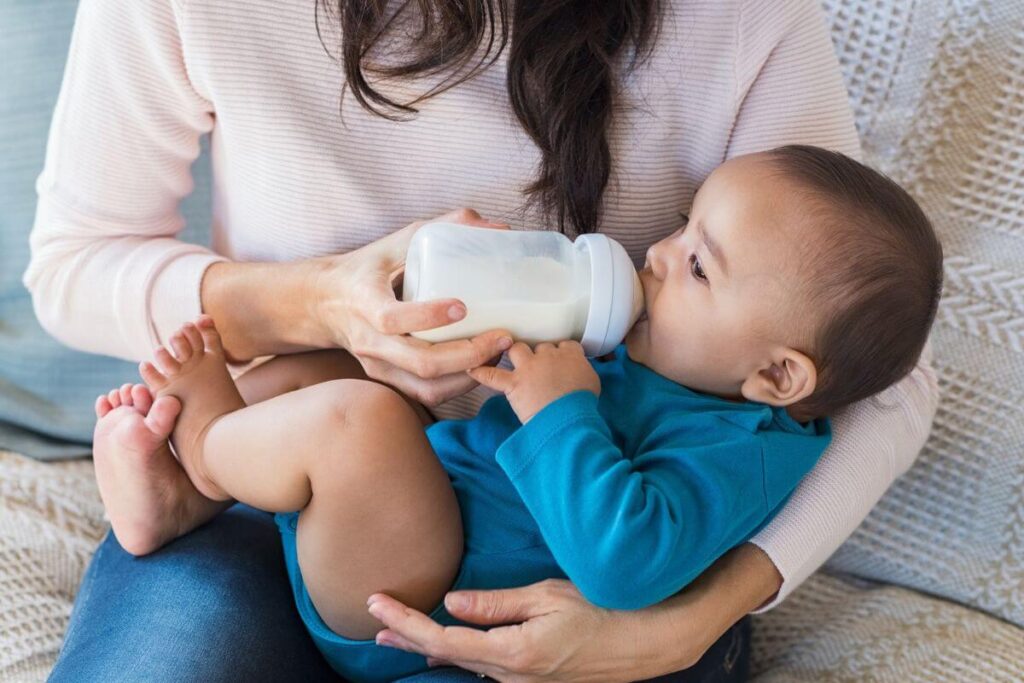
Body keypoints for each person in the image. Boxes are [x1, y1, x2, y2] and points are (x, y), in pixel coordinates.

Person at [25, 1, 939, 680]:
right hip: (309, 502)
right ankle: (197, 474)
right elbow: (73, 263)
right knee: (322, 382)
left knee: (348, 416)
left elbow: (875, 376)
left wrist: (688, 620)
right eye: (683, 229)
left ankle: (204, 455)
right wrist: (316, 301)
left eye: (696, 257)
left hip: (527, 582)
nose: (656, 254)